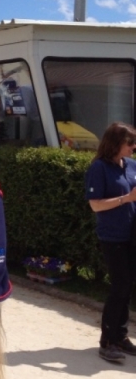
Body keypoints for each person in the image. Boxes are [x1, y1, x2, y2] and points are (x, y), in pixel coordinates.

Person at [85, 121, 136, 363]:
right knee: (119, 285)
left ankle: (121, 336)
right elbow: (95, 204)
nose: (134, 147)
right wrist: (126, 198)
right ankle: (107, 341)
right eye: (130, 143)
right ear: (116, 143)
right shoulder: (99, 168)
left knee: (127, 287)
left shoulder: (132, 165)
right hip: (112, 236)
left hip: (132, 235)